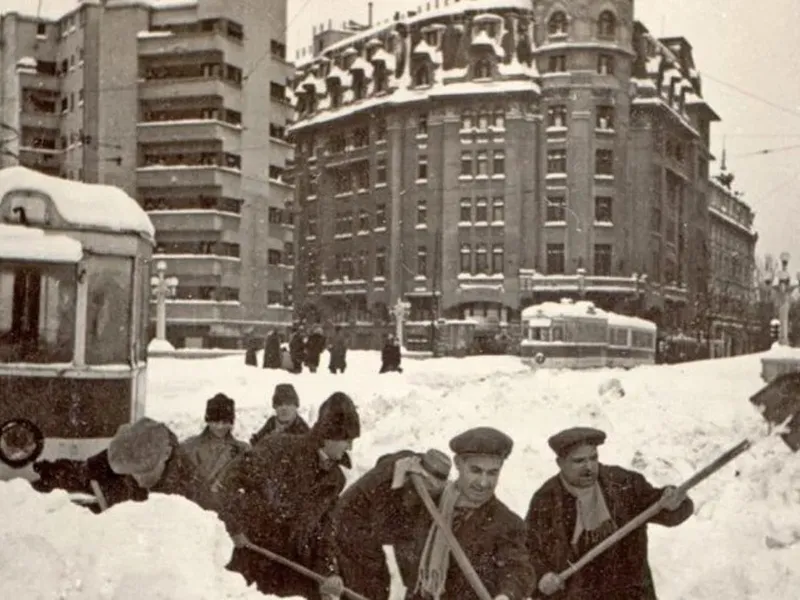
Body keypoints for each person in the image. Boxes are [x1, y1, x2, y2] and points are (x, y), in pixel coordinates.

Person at [219, 392, 361, 599]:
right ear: (330, 435)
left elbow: (324, 529)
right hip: (254, 557)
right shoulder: (278, 448)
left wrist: (329, 572)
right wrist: (234, 527)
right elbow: (228, 483)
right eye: (347, 440)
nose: (350, 447)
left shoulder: (335, 479)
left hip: (294, 568)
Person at [525, 427, 694, 599]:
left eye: (593, 458)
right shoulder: (546, 500)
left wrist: (673, 502)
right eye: (579, 461)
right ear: (560, 463)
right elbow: (529, 551)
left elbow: (665, 511)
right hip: (576, 594)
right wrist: (542, 576)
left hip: (629, 591)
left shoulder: (622, 482)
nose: (589, 467)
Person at [402, 426, 535, 600]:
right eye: (476, 470)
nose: (483, 482)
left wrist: (506, 596)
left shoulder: (508, 523)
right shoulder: (430, 503)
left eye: (493, 473)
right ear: (458, 463)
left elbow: (518, 570)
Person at [333, 448, 452, 599]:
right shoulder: (387, 481)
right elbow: (386, 524)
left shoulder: (409, 461)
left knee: (414, 573)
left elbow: (384, 457)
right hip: (350, 522)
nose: (430, 493)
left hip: (384, 521)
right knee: (372, 582)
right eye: (428, 489)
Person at [180, 393, 249, 502]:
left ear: (231, 423)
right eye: (215, 421)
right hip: (193, 511)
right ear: (207, 420)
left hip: (228, 512)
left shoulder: (243, 450)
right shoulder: (188, 448)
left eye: (225, 422)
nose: (220, 426)